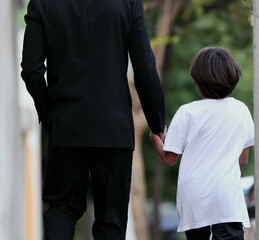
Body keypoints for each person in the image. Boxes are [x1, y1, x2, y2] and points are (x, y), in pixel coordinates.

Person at [20, 0, 165, 239]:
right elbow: (145, 66)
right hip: (114, 128)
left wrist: (50, 115)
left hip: (65, 126)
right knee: (111, 222)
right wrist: (157, 124)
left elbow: (31, 69)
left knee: (61, 210)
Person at [150, 47, 254, 240]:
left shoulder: (187, 112)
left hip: (194, 198)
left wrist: (157, 139)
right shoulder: (241, 110)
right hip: (226, 198)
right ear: (233, 78)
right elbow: (242, 160)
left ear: (198, 81)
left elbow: (169, 158)